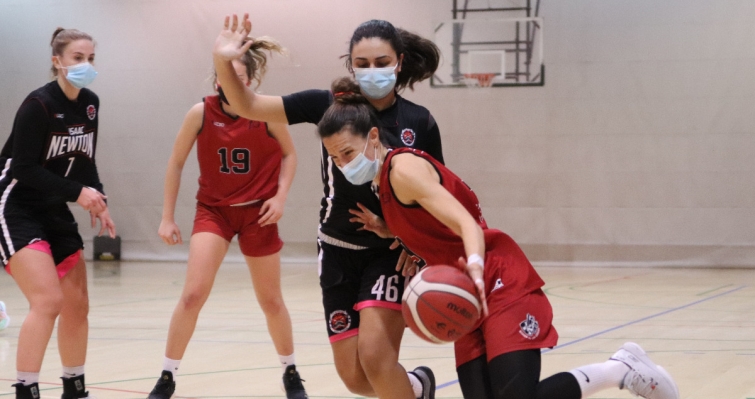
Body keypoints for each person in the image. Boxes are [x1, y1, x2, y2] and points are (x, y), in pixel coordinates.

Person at [315, 77, 681, 399]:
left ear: (374, 136)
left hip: (495, 278)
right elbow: (429, 225)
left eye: (348, 152)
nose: (345, 165)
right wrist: (393, 232)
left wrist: (474, 268)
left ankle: (619, 369)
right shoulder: (383, 185)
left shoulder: (403, 170)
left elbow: (468, 227)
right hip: (466, 292)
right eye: (337, 159)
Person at [213, 14, 440, 399]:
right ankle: (419, 386)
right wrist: (222, 59)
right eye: (362, 64)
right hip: (336, 249)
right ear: (350, 65)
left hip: (388, 251)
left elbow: (436, 197)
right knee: (355, 378)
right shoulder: (328, 105)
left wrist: (412, 242)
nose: (372, 71)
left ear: (399, 62)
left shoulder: (418, 122)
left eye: (382, 63)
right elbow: (248, 104)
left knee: (375, 356)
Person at [147, 36, 306, 399]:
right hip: (214, 212)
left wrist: (280, 197)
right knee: (192, 295)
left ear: (249, 81)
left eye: (238, 75)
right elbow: (175, 162)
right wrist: (167, 217)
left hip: (258, 214)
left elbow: (290, 155)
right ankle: (167, 376)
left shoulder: (268, 111)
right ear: (217, 79)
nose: (231, 81)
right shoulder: (200, 112)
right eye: (225, 74)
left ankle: (291, 371)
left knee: (271, 301)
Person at [0, 27, 116, 399]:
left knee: (77, 304)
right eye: (78, 58)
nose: (86, 65)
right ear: (57, 62)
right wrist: (78, 193)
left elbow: (85, 163)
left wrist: (99, 198)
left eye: (91, 58)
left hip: (51, 206)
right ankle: (26, 389)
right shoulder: (39, 105)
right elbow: (24, 169)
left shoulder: (91, 103)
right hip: (16, 204)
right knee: (48, 301)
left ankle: (74, 387)